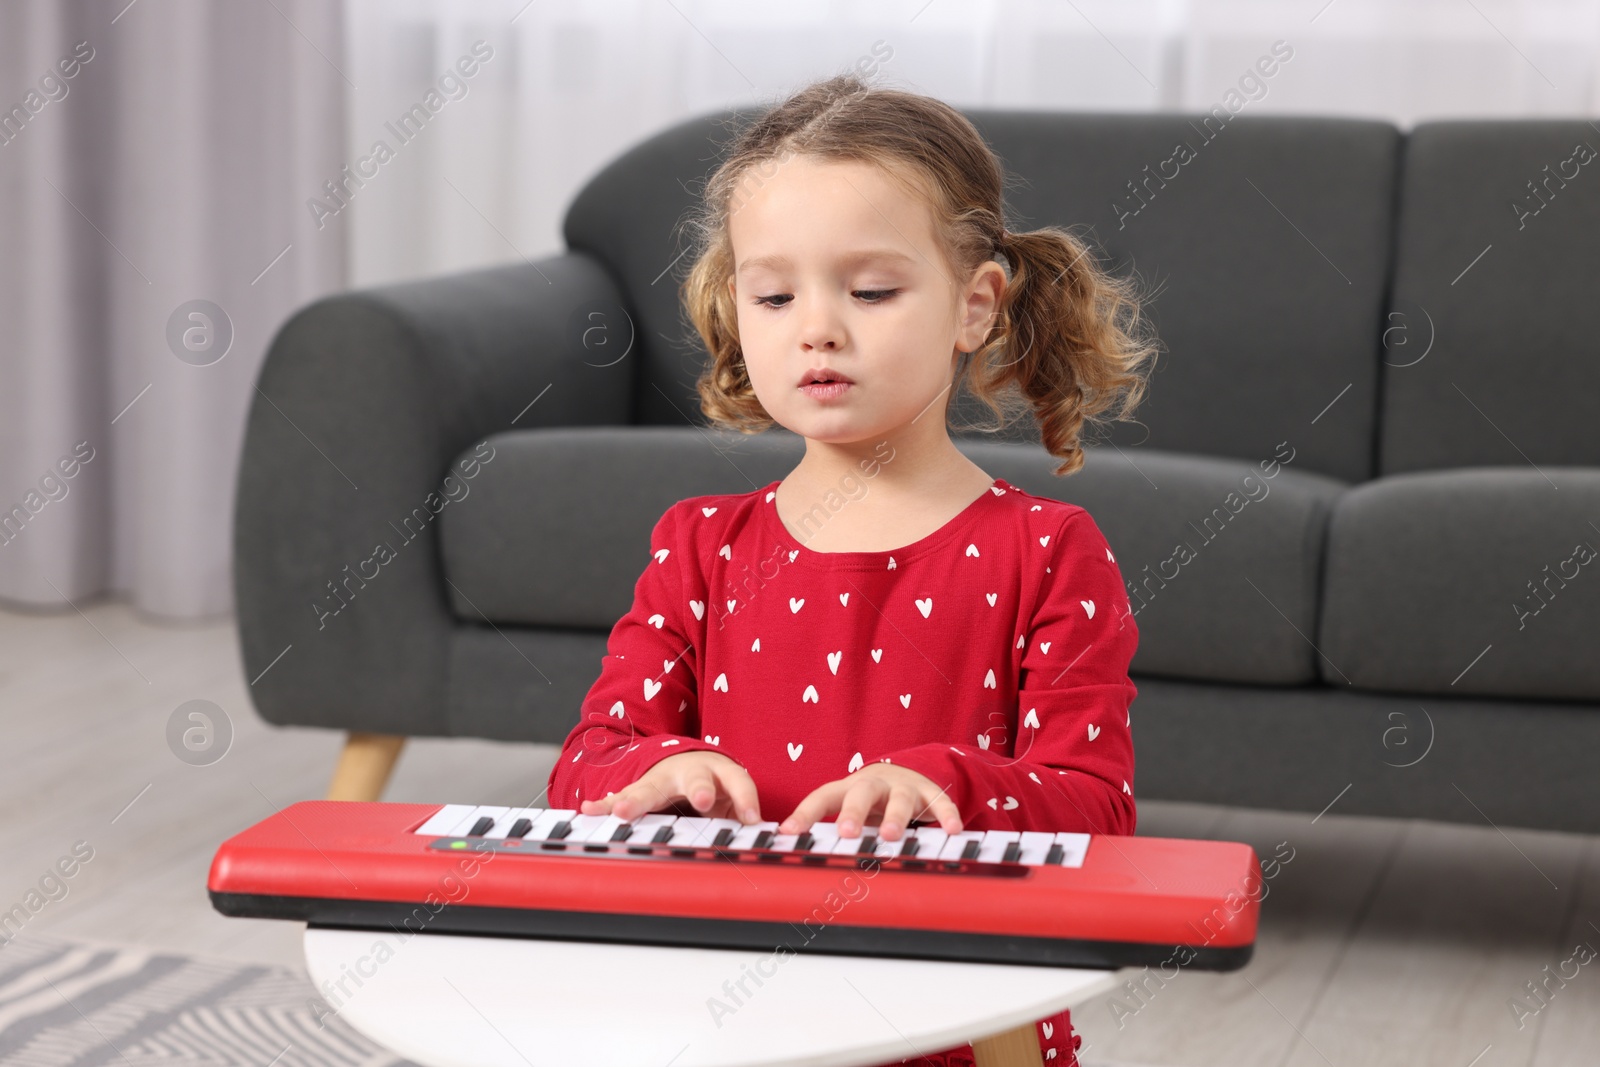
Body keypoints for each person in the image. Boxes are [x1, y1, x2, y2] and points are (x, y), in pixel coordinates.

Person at [546, 70, 1159, 1067]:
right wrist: (652, 767)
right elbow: (585, 766)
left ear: (975, 305)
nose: (817, 325)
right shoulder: (700, 542)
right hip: (722, 1018)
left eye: (870, 289)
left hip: (961, 1026)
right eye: (775, 292)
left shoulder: (1048, 549)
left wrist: (948, 782)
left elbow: (1097, 812)